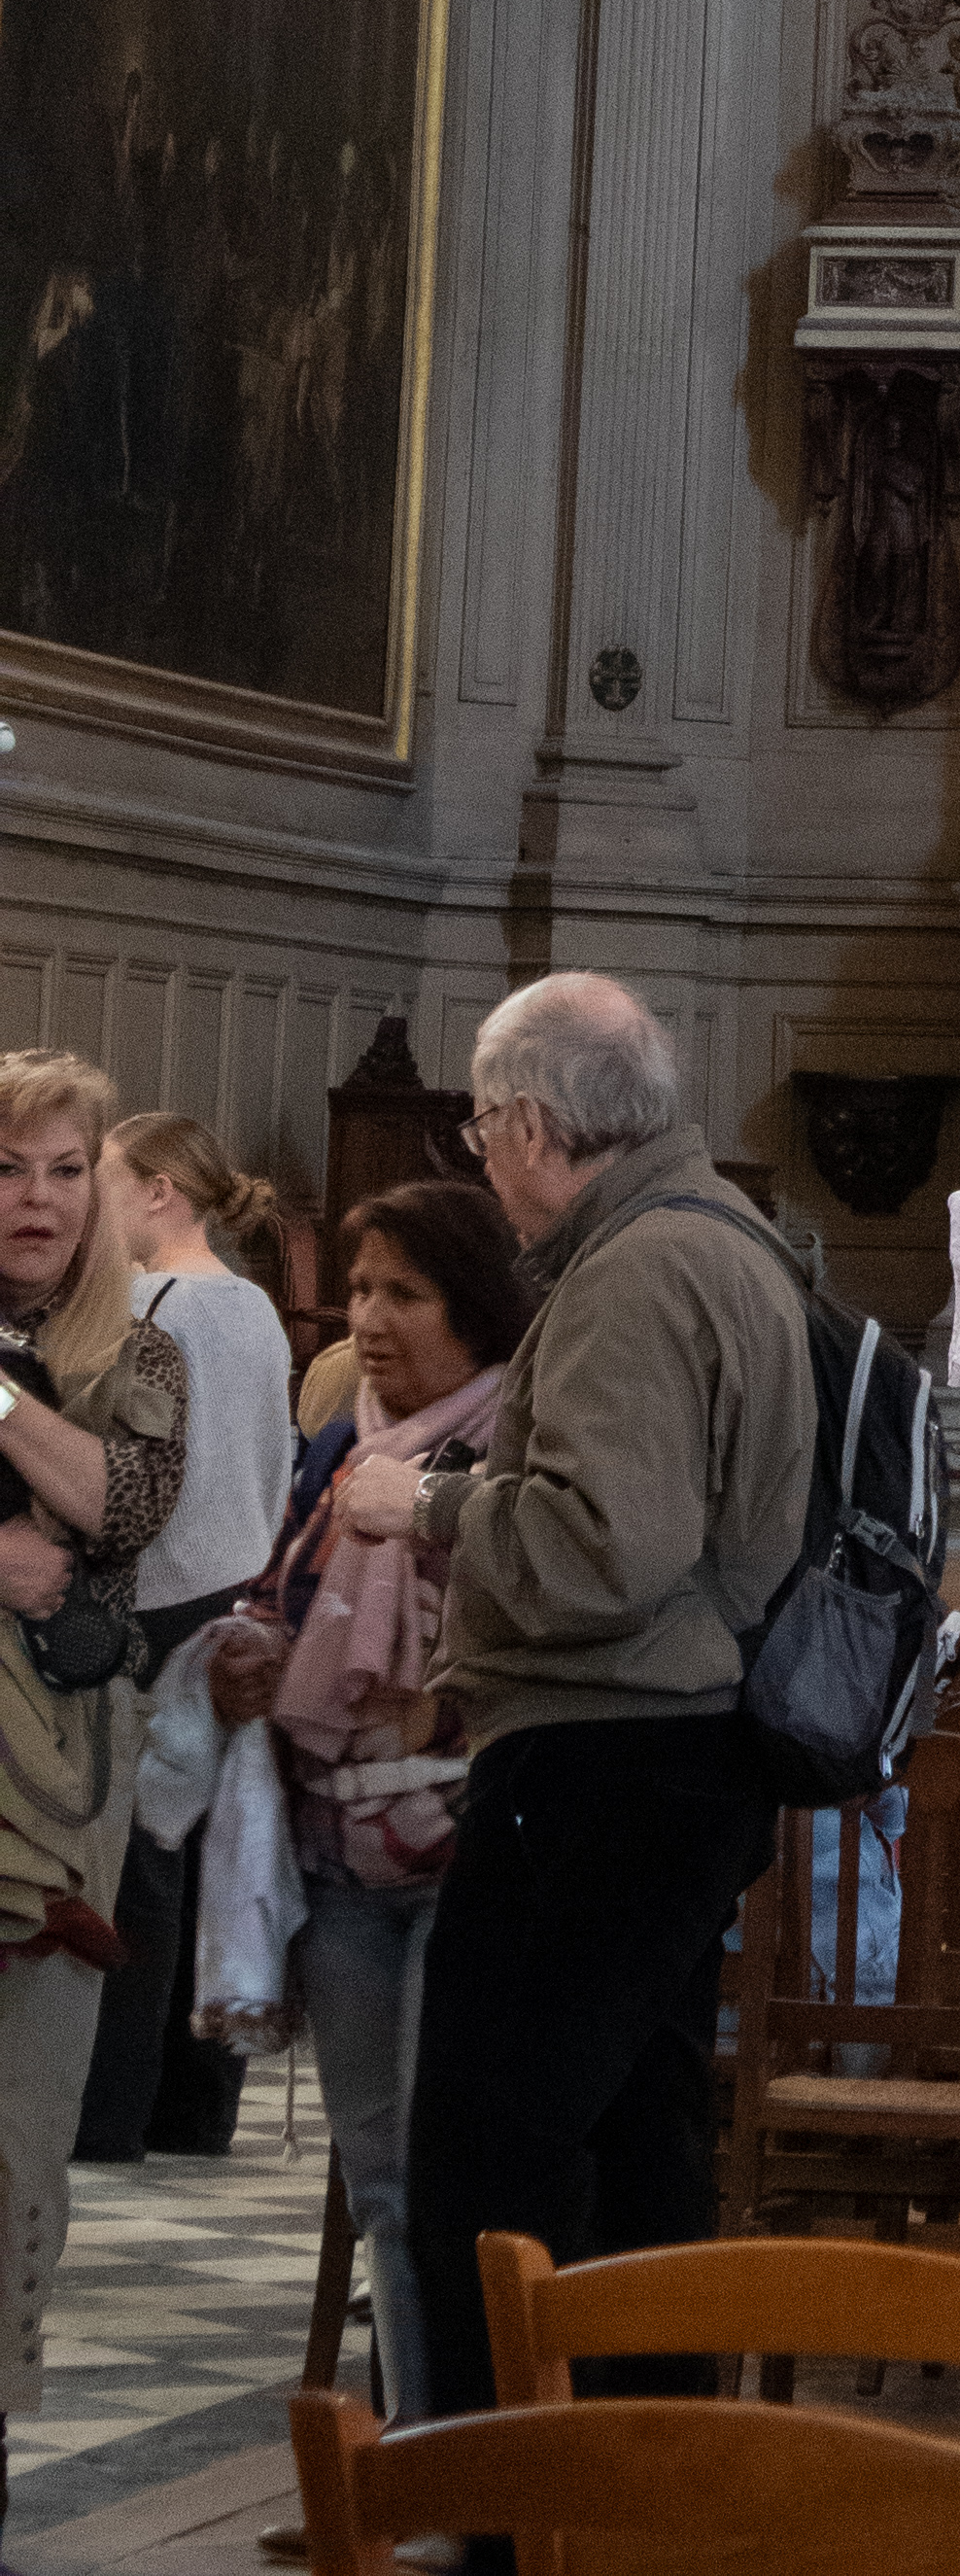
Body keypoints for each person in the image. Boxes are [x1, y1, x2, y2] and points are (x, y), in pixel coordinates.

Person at [380, 974, 811, 2424]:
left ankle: (513, 2513)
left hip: (600, 1766)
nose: (481, 1161)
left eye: (484, 1129)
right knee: (639, 2159)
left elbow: (605, 1553)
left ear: (532, 1121)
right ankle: (640, 2498)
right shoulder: (721, 1237)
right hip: (675, 1759)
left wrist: (433, 1507)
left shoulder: (636, 1274)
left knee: (488, 2175)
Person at [209, 1179, 525, 2425]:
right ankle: (405, 2448)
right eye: (359, 1290)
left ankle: (479, 2451)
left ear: (477, 1304)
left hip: (464, 1850)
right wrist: (244, 1648)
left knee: (462, 2173)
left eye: (407, 1291)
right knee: (380, 2176)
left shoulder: (508, 1445)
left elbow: (532, 1633)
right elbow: (283, 1593)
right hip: (342, 1858)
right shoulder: (344, 1438)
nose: (372, 1319)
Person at [0, 1049, 188, 2538]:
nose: (38, 1198)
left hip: (51, 1793)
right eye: (8, 1167)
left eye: (67, 1169)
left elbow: (114, 1510)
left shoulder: (144, 1352)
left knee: (15, 2148)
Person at [72, 1114, 293, 2165]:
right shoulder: (256, 1307)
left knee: (136, 1856)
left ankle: (110, 2112)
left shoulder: (148, 1302)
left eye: (103, 1181)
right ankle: (198, 2112)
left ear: (161, 1191)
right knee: (215, 1844)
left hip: (158, 1595)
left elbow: (129, 1476)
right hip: (242, 1590)